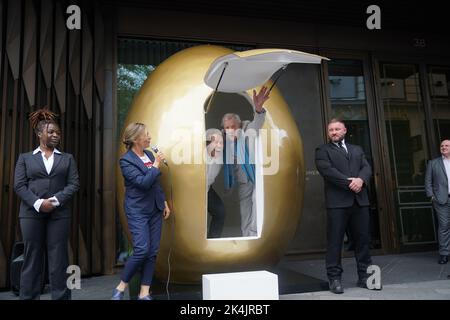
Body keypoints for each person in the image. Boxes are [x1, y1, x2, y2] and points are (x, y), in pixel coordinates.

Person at [14, 108, 80, 300]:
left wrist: (56, 200)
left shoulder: (67, 158)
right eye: (51, 132)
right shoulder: (25, 158)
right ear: (39, 134)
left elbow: (74, 183)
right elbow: (19, 185)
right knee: (32, 257)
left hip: (59, 214)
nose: (55, 135)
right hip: (30, 213)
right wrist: (37, 203)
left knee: (59, 258)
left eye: (58, 133)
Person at [315, 119, 377, 294]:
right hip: (337, 204)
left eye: (337, 129)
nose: (333, 132)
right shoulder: (322, 150)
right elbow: (327, 171)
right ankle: (334, 279)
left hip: (360, 202)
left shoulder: (357, 149)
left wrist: (361, 180)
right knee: (335, 243)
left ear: (344, 131)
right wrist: (350, 183)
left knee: (363, 241)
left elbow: (366, 168)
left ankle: (365, 278)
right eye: (331, 130)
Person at [112, 122, 170, 300]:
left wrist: (164, 202)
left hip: (155, 208)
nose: (150, 137)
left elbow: (155, 184)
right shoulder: (126, 160)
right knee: (141, 249)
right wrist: (156, 165)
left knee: (152, 251)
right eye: (147, 134)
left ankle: (144, 292)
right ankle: (121, 287)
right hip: (137, 210)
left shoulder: (150, 154)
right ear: (136, 139)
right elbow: (143, 183)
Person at [221, 86, 270, 237]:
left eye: (233, 127)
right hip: (242, 180)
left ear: (240, 125)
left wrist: (259, 109)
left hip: (256, 176)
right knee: (245, 211)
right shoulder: (223, 139)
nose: (230, 130)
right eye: (227, 128)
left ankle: (254, 233)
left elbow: (258, 122)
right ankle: (246, 237)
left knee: (257, 201)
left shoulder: (249, 128)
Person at [425, 139, 450, 264]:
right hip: (441, 200)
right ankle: (444, 254)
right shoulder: (433, 163)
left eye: (446, 145)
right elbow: (428, 181)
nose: (444, 147)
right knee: (444, 227)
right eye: (442, 146)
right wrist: (431, 196)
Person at [206, 130, 225, 238]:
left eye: (220, 142)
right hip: (195, 191)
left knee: (220, 212)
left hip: (207, 189)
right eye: (215, 142)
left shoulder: (221, 156)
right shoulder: (201, 155)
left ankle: (213, 240)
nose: (218, 145)